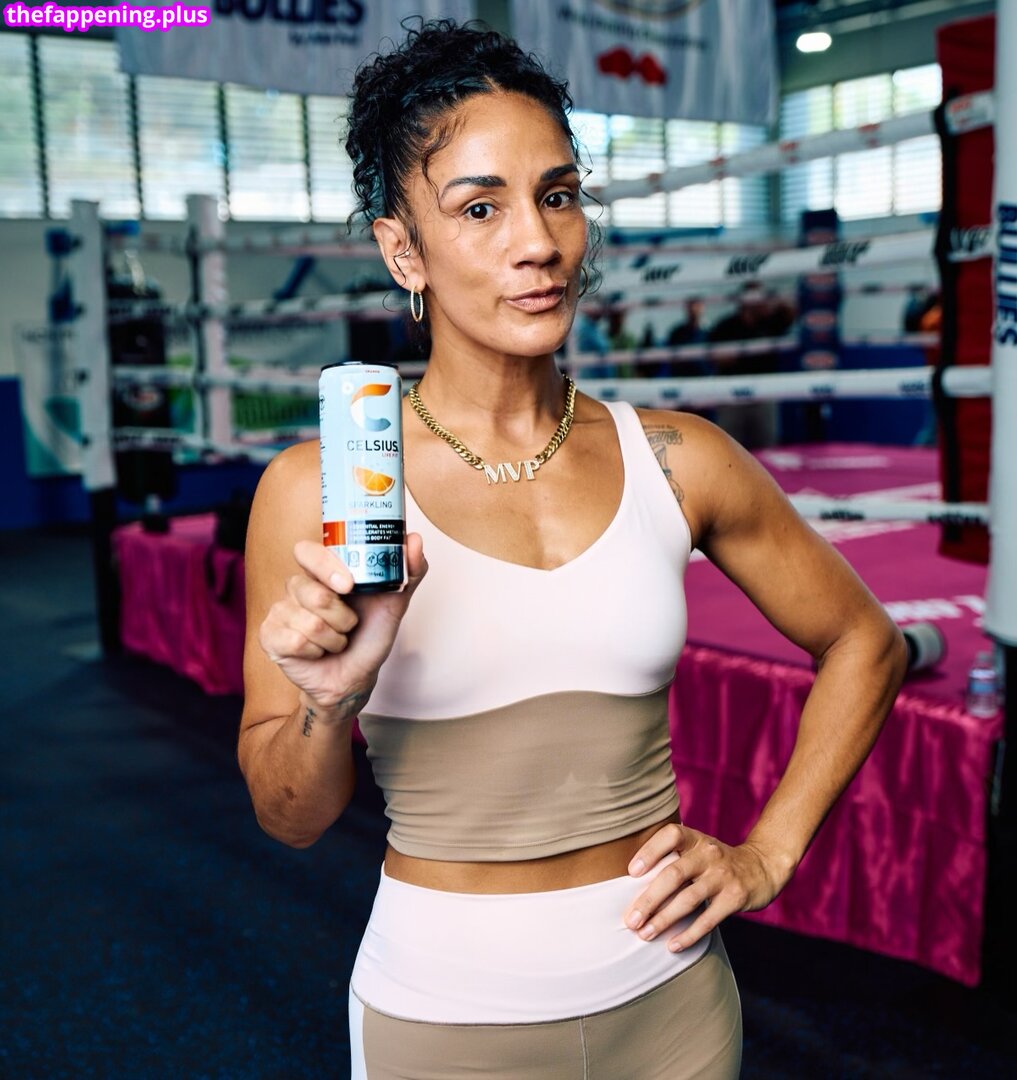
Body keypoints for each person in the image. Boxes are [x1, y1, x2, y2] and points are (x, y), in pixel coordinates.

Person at [238, 21, 907, 1077]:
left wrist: (767, 855)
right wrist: (331, 700)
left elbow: (868, 642)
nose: (538, 243)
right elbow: (289, 819)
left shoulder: (678, 459)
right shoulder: (318, 491)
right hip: (446, 1022)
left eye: (556, 195)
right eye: (480, 207)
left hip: (675, 1006)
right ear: (403, 251)